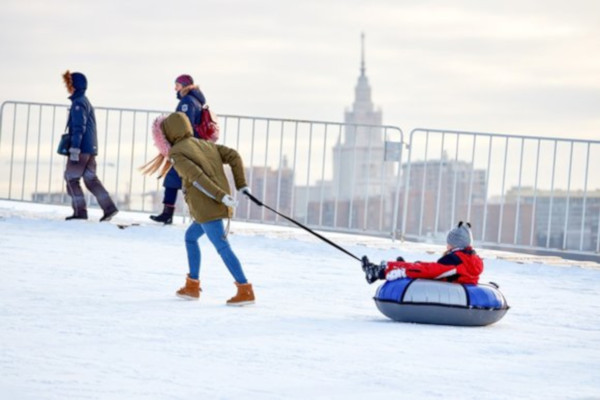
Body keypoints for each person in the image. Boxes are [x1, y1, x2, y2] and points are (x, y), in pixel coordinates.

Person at [141, 111, 255, 305]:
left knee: (222, 246)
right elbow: (234, 156)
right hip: (210, 205)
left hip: (208, 207)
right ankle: (192, 286)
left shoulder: (177, 152)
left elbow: (197, 178)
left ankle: (245, 289)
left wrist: (221, 196)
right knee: (191, 237)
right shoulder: (205, 144)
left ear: (167, 135)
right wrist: (241, 184)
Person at [62, 71, 118, 222]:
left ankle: (80, 212)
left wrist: (74, 148)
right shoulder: (84, 101)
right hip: (90, 147)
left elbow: (79, 127)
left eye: (69, 83)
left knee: (71, 178)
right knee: (91, 179)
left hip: (81, 148)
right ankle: (109, 208)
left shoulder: (78, 103)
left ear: (74, 86)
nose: (67, 87)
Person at [150, 74, 206, 225]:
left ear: (184, 86)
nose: (175, 88)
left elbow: (184, 125)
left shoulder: (187, 102)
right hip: (192, 146)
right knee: (178, 180)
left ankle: (170, 214)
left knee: (177, 179)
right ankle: (170, 213)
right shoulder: (195, 100)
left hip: (185, 146)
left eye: (177, 85)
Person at [362, 221, 483, 285]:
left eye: (449, 243)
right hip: (453, 283)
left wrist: (389, 270)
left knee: (419, 268)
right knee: (419, 265)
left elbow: (429, 271)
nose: (446, 246)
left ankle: (378, 271)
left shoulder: (454, 260)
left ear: (455, 244)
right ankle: (400, 267)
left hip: (445, 286)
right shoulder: (470, 259)